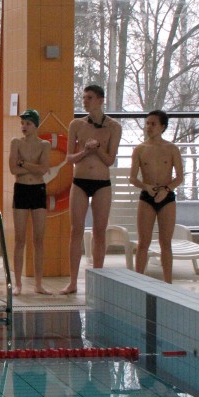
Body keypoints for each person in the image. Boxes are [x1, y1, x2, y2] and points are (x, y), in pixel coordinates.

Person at [62, 85, 122, 295]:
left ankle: (97, 281)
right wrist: (85, 151)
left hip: (101, 184)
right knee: (75, 231)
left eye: (89, 98)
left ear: (100, 100)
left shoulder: (114, 127)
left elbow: (110, 160)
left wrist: (97, 149)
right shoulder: (76, 125)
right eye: (84, 97)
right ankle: (72, 282)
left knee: (99, 232)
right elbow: (69, 158)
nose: (85, 101)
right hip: (79, 182)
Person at [129, 110, 183, 283]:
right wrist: (146, 187)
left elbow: (179, 177)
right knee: (143, 242)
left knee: (165, 242)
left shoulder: (172, 149)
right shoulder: (140, 149)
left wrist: (166, 189)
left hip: (167, 198)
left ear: (162, 127)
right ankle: (138, 282)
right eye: (147, 123)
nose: (149, 127)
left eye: (153, 124)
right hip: (147, 196)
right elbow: (132, 178)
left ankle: (168, 283)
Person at [9, 110, 51, 295]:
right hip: (21, 190)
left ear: (36, 126)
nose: (24, 127)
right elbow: (13, 169)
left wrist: (23, 164)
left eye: (28, 123)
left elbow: (43, 170)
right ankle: (18, 283)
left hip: (38, 191)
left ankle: (38, 284)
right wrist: (33, 167)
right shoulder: (16, 143)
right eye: (22, 123)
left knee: (39, 239)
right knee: (20, 239)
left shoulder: (44, 145)